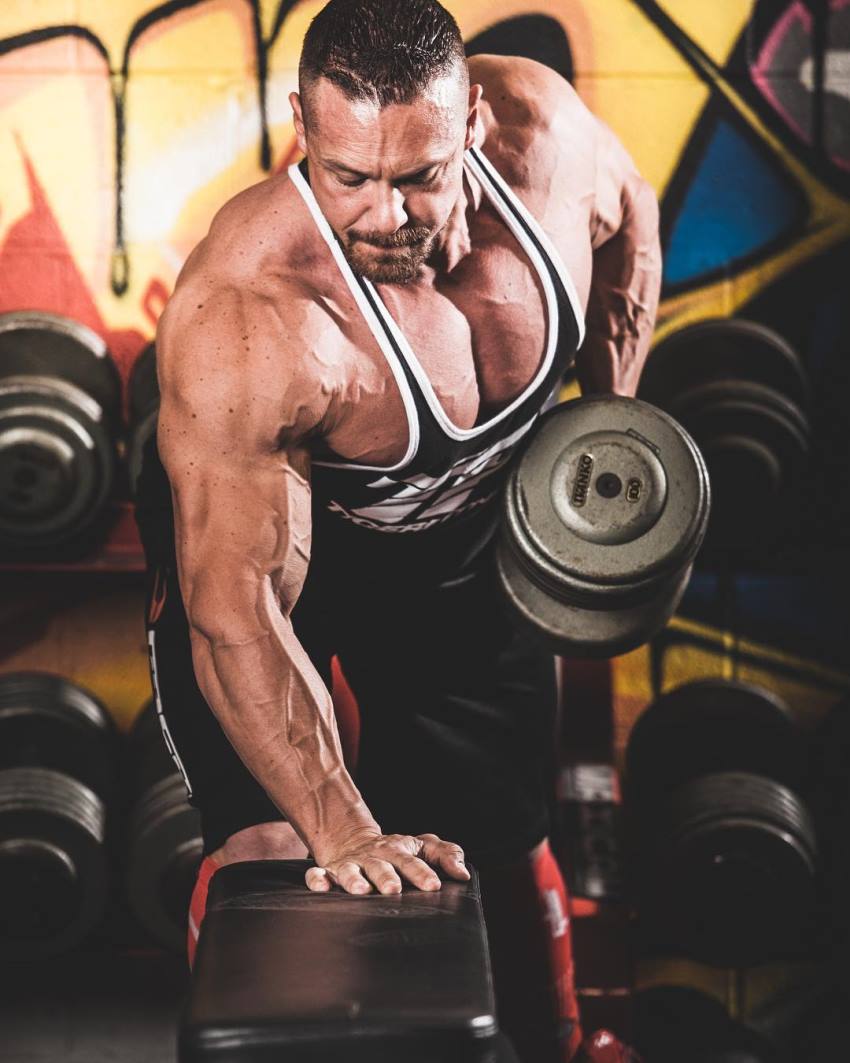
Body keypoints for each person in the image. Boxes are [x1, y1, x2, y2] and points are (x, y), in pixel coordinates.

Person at [135, 2, 660, 1060]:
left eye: (417, 176)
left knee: (498, 835)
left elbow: (633, 219)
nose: (384, 215)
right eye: (349, 177)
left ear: (471, 118)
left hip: (459, 541)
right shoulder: (250, 316)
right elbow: (234, 613)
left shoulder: (545, 141)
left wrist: (603, 425)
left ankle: (549, 1041)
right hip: (280, 549)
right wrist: (344, 824)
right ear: (300, 128)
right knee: (281, 841)